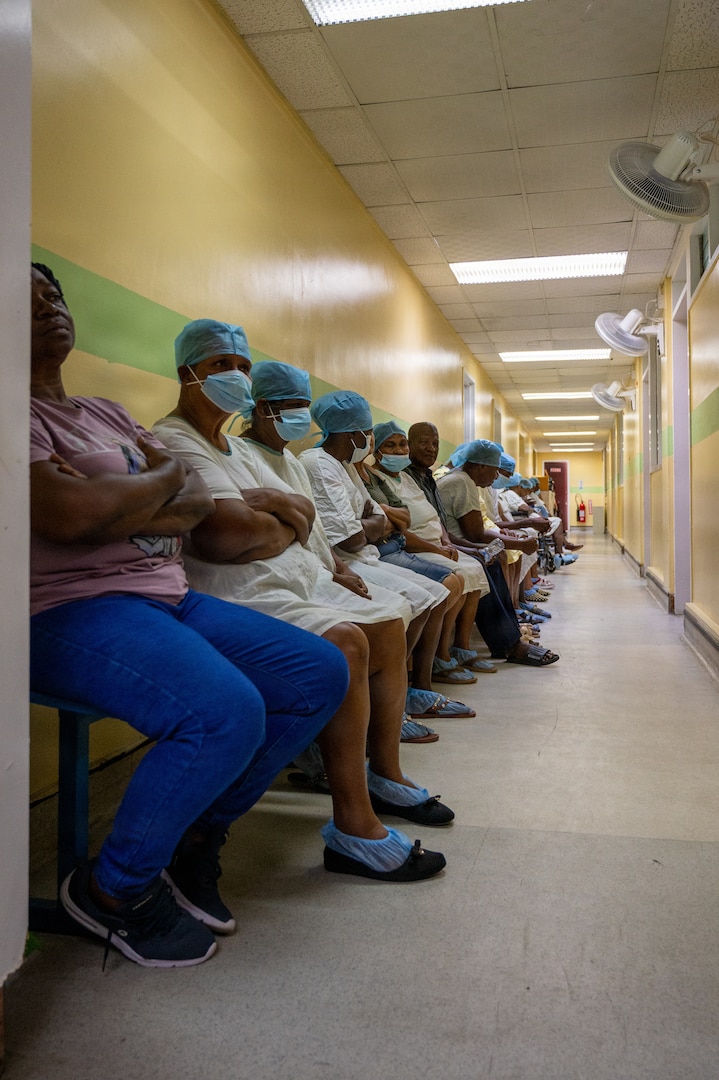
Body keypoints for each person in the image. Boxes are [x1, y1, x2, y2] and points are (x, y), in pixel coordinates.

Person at [30, 263, 360, 970]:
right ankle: (112, 891)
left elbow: (191, 510)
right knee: (224, 710)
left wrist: (123, 499)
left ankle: (192, 838)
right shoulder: (11, 414)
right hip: (66, 609)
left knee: (317, 671)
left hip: (165, 594)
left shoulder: (105, 412)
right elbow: (66, 517)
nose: (47, 307)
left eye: (52, 294)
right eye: (25, 300)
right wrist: (150, 488)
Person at [153, 330, 454, 851]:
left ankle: (383, 772)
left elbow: (297, 524)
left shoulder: (240, 451)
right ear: (188, 372)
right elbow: (230, 536)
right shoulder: (178, 439)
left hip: (292, 570)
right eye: (220, 363)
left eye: (242, 365)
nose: (235, 375)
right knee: (350, 641)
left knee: (386, 624)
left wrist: (289, 524)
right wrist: (284, 518)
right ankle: (351, 813)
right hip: (235, 585)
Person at [299, 392, 459, 703]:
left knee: (431, 596)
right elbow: (353, 538)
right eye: (369, 432)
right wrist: (374, 523)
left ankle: (406, 687)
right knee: (410, 605)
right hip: (351, 559)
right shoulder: (319, 463)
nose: (371, 439)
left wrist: (372, 522)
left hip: (367, 555)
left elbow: (380, 516)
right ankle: (388, 695)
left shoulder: (345, 464)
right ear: (353, 433)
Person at [408, 426, 560, 668]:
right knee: (487, 564)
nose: (496, 477)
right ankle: (507, 643)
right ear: (479, 466)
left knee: (492, 561)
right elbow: (476, 532)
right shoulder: (462, 481)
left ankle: (511, 637)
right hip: (439, 545)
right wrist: (517, 542)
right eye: (494, 470)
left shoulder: (458, 479)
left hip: (451, 542)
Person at [368, 420, 497, 678]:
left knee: (476, 568)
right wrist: (437, 549)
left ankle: (459, 647)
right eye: (390, 445)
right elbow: (398, 526)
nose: (398, 451)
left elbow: (430, 515)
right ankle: (438, 655)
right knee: (457, 577)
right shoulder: (374, 479)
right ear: (376, 449)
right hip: (412, 547)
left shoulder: (407, 477)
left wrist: (446, 542)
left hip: (436, 542)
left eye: (401, 444)